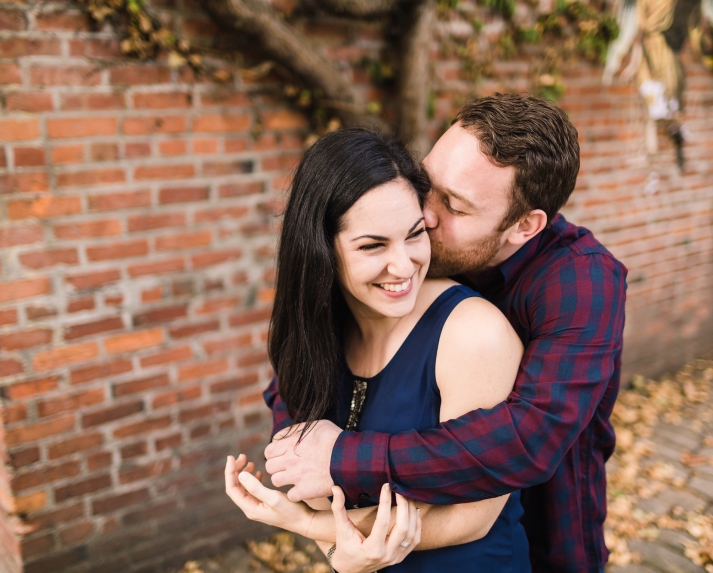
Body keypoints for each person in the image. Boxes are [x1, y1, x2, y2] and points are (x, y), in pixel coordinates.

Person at [261, 93, 629, 573]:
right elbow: (305, 366)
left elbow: (524, 440)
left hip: (545, 531)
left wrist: (340, 459)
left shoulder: (581, 283)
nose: (425, 215)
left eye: (453, 205)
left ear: (524, 226)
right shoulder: (409, 255)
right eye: (428, 183)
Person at [225, 127, 532, 573]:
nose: (404, 265)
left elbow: (472, 517)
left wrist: (304, 525)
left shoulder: (473, 334)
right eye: (373, 245)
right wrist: (342, 555)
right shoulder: (311, 335)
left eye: (413, 234)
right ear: (322, 251)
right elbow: (311, 489)